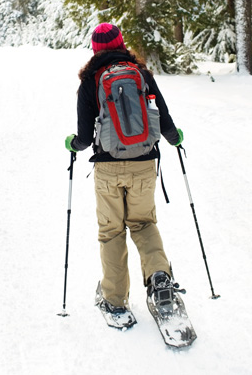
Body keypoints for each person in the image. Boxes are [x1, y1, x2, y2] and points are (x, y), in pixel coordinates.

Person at [65, 22, 184, 322]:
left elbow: (81, 135)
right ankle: (159, 278)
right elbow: (165, 119)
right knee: (143, 224)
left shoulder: (91, 81)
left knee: (111, 231)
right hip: (144, 163)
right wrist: (175, 138)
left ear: (95, 50)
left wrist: (73, 144)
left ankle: (115, 300)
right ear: (121, 44)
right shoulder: (141, 74)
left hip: (107, 168)